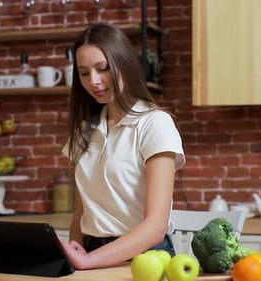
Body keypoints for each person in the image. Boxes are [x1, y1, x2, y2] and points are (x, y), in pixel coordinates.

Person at [60, 22, 186, 270]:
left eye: (103, 69)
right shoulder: (84, 131)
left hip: (145, 257)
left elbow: (155, 227)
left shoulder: (154, 123)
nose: (94, 81)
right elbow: (81, 214)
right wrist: (76, 252)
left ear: (124, 64)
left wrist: (88, 261)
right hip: (92, 254)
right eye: (84, 73)